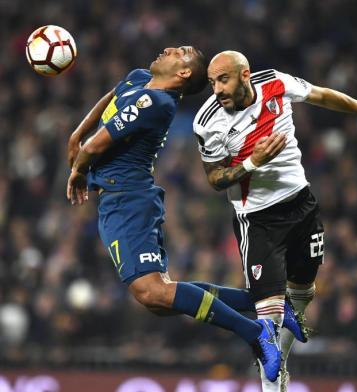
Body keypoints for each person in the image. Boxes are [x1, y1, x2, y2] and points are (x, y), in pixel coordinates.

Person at [65, 46, 301, 382]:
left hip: (127, 201)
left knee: (153, 292)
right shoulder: (141, 79)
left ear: (184, 73)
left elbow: (94, 147)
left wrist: (77, 169)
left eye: (181, 52)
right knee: (159, 300)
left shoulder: (157, 104)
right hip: (120, 200)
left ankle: (256, 334)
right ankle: (266, 302)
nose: (169, 49)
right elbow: (112, 95)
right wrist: (77, 132)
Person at [193, 50, 357, 391]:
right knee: (268, 317)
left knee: (302, 294)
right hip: (256, 220)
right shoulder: (207, 121)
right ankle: (274, 383)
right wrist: (252, 163)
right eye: (212, 83)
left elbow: (320, 94)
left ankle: (281, 361)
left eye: (223, 80)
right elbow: (214, 179)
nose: (217, 90)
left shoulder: (274, 82)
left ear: (245, 75)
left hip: (301, 205)